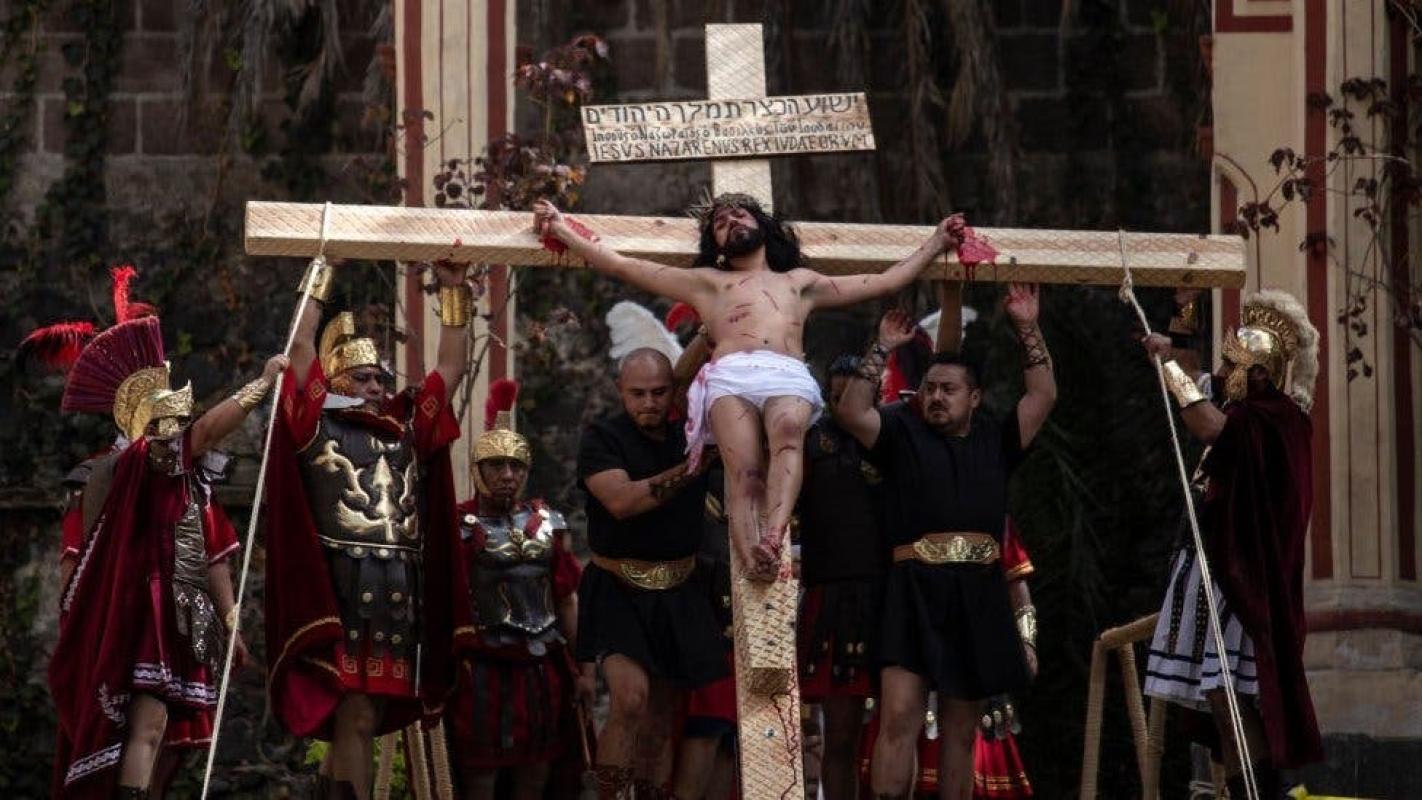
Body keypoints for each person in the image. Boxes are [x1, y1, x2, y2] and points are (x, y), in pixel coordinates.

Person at [534, 195, 965, 580]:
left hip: (785, 371)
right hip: (731, 376)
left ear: (764, 227)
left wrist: (936, 243)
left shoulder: (800, 282)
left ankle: (773, 538)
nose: (732, 222)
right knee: (744, 473)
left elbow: (886, 281)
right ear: (717, 246)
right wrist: (562, 229)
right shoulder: (706, 283)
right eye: (721, 223)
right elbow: (621, 265)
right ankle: (751, 557)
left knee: (788, 434)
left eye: (740, 214)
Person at [262, 257, 477, 800]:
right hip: (340, 595)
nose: (376, 385)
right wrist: (321, 270)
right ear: (334, 381)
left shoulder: (408, 427)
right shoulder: (314, 422)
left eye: (380, 377)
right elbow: (300, 347)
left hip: (397, 601)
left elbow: (451, 368)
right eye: (362, 377)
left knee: (364, 717)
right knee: (355, 715)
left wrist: (454, 291)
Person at [48, 316, 283, 799]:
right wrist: (262, 383)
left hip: (177, 616)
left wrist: (230, 620)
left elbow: (212, 556)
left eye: (181, 420)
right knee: (146, 726)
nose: (178, 429)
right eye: (167, 422)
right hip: (136, 614)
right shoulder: (139, 463)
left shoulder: (189, 483)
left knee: (161, 737)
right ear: (146, 428)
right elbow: (209, 432)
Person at [834, 297, 1056, 800]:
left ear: (974, 397)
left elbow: (1042, 394)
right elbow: (850, 410)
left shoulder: (997, 439)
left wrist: (1028, 326)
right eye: (930, 388)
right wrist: (882, 346)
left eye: (948, 390)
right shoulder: (899, 432)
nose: (935, 397)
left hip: (977, 594)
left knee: (961, 727)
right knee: (898, 715)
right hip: (911, 590)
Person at [1142, 289, 1323, 797]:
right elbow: (1196, 374)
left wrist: (1166, 369)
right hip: (1217, 566)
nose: (1222, 372)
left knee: (1228, 691)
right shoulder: (1250, 407)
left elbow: (1206, 424)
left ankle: (1264, 793)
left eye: (1233, 364)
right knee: (1219, 695)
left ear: (1259, 372)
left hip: (1242, 577)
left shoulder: (1274, 417)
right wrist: (1182, 314)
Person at [574, 347, 725, 798]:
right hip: (618, 586)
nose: (649, 402)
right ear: (621, 391)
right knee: (630, 698)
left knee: (661, 718)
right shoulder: (602, 438)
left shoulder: (691, 433)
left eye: (659, 392)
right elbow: (622, 501)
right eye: (638, 393)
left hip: (680, 587)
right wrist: (692, 467)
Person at [447, 379, 582, 799]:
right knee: (480, 771)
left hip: (540, 662)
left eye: (516, 467)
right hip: (483, 666)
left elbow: (566, 596)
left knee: (537, 769)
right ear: (478, 470)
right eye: (496, 466)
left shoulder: (547, 524)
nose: (507, 475)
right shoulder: (459, 527)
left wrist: (583, 668)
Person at [797, 354, 887, 800]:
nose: (843, 405)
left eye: (853, 395)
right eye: (835, 396)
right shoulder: (810, 443)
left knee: (900, 727)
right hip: (833, 596)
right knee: (840, 737)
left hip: (893, 596)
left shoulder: (897, 436)